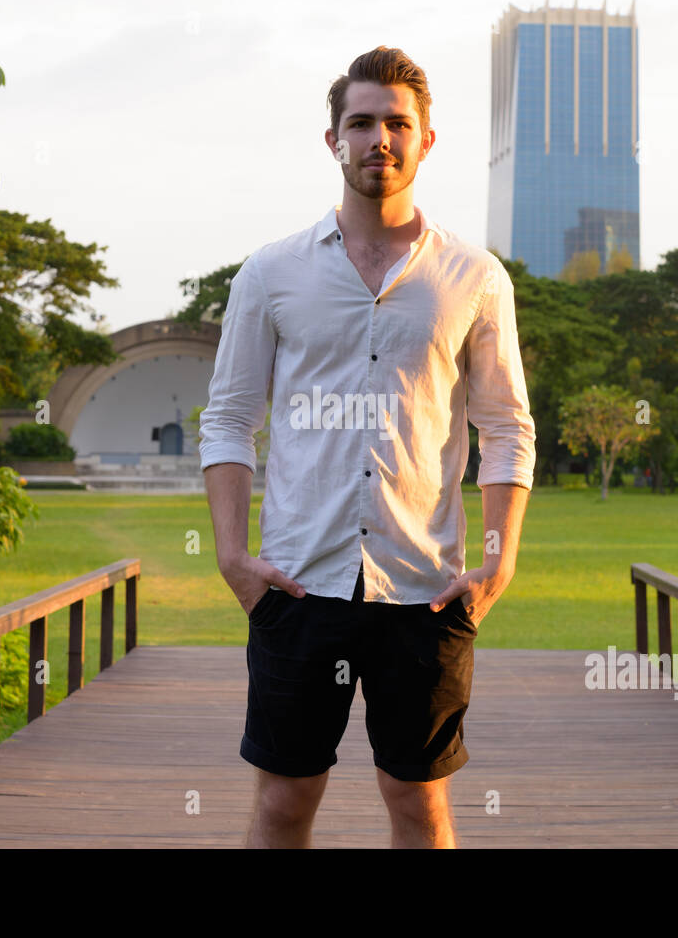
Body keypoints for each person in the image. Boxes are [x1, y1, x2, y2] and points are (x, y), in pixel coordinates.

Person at [199, 46, 535, 848]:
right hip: (296, 583)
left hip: (426, 587)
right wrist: (231, 557)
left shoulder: (475, 277)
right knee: (283, 804)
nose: (378, 138)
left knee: (419, 805)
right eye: (361, 122)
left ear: (425, 140)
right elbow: (228, 418)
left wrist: (501, 557)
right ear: (332, 139)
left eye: (396, 123)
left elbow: (507, 425)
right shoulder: (271, 273)